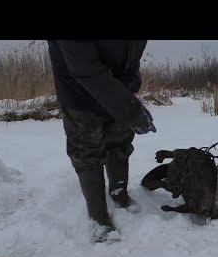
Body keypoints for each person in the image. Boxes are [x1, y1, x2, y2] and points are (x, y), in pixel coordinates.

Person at [47, 40, 156, 243]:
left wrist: (128, 88)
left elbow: (133, 51)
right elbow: (85, 69)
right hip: (77, 90)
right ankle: (98, 219)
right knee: (86, 148)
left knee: (120, 139)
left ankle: (119, 193)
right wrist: (130, 109)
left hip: (117, 86)